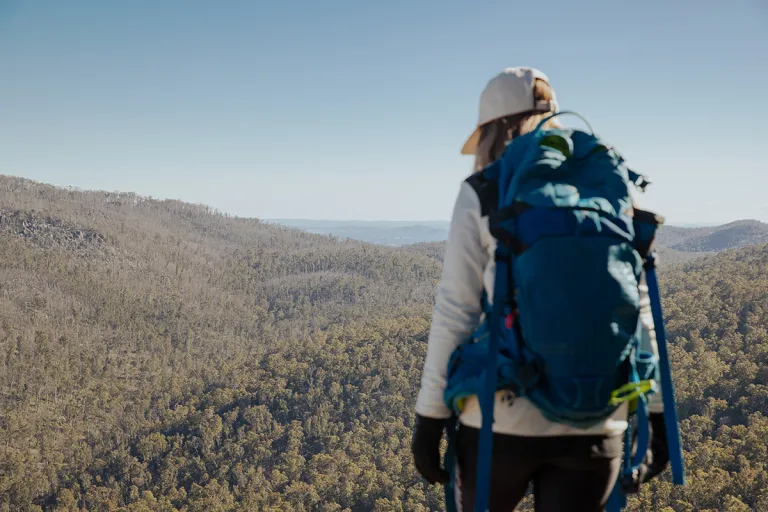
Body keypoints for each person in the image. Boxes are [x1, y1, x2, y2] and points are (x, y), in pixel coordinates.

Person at [411, 67, 670, 512]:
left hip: (500, 418)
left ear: (493, 129)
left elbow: (456, 310)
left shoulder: (485, 190)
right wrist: (660, 414)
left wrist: (430, 416)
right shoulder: (616, 187)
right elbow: (637, 306)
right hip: (597, 420)